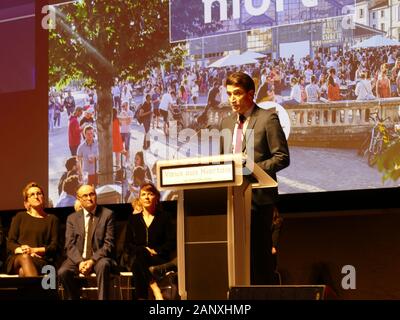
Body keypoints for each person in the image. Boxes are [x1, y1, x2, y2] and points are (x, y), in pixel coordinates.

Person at [220, 72, 290, 285]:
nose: (232, 99)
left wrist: (251, 171)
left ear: (251, 94)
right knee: (236, 262)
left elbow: (282, 157)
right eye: (229, 94)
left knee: (260, 262)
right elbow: (224, 162)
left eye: (237, 93)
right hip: (233, 203)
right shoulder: (226, 121)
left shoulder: (267, 118)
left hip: (259, 201)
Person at [58, 184, 116, 300]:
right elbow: (69, 245)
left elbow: (108, 244)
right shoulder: (72, 218)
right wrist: (80, 262)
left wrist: (92, 260)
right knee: (62, 272)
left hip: (98, 258)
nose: (89, 198)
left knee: (104, 265)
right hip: (78, 259)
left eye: (92, 194)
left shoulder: (107, 215)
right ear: (79, 199)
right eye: (85, 196)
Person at [124, 183, 176, 300]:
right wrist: (144, 249)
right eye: (143, 194)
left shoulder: (165, 217)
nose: (147, 197)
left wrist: (156, 250)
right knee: (139, 258)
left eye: (150, 194)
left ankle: (141, 298)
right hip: (138, 255)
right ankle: (155, 288)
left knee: (138, 264)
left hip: (157, 257)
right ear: (140, 199)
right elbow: (128, 244)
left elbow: (171, 242)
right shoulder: (133, 219)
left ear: (156, 198)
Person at [6, 182, 59, 276]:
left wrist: (34, 250)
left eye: (39, 193)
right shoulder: (20, 217)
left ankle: (34, 290)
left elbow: (54, 246)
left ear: (43, 197)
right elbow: (10, 242)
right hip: (19, 258)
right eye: (32, 195)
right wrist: (25, 251)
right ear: (27, 201)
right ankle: (39, 290)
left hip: (42, 260)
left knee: (23, 272)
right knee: (25, 258)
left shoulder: (52, 219)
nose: (36, 196)